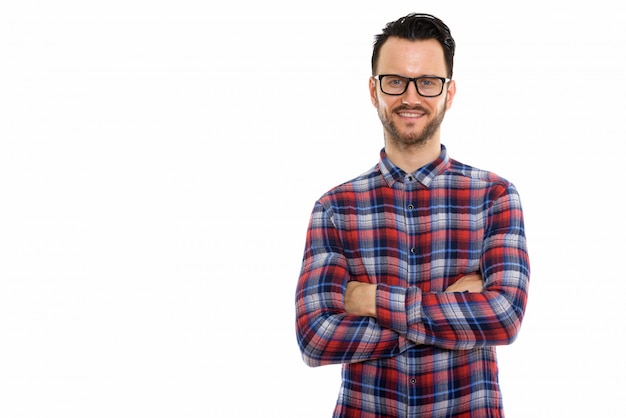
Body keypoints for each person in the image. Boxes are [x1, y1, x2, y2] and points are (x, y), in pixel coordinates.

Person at [295, 12, 530, 417]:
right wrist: (449, 312)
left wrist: (370, 299)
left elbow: (504, 317)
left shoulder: (495, 196)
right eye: (395, 81)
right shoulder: (334, 208)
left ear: (449, 93)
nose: (410, 97)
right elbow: (315, 338)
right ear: (374, 90)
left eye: (427, 82)